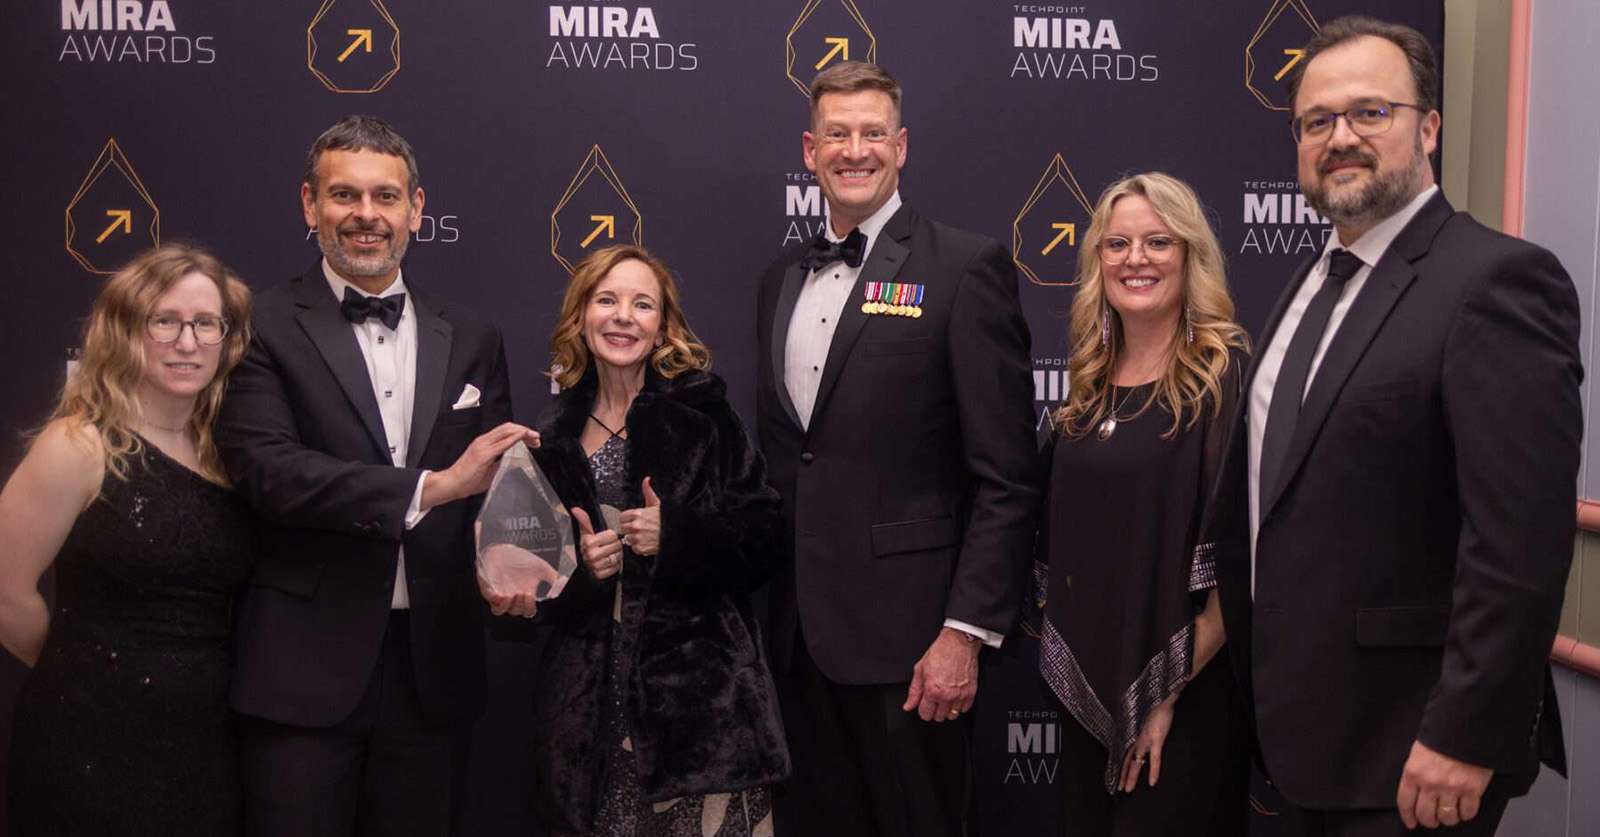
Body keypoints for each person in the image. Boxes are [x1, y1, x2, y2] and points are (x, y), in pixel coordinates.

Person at [1210, 16, 1581, 835]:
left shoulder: (1496, 282)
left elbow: (1519, 541)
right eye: (1317, 121)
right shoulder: (1308, 281)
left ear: (1430, 127)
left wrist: (1463, 732)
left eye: (1370, 112)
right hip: (1301, 736)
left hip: (1413, 752)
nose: (1341, 137)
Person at [215, 115, 537, 836]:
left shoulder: (474, 335)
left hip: (432, 673)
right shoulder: (258, 323)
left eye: (386, 197)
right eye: (344, 195)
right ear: (310, 205)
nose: (366, 215)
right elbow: (271, 472)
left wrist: (514, 564)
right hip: (302, 670)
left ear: (417, 210)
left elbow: (495, 489)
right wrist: (432, 487)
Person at [754, 61, 1039, 837]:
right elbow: (786, 462)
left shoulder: (963, 267)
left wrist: (963, 633)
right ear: (809, 151)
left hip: (915, 650)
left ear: (902, 145)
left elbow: (1007, 477)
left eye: (872, 133)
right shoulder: (778, 280)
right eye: (837, 135)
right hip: (796, 645)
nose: (855, 150)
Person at [521, 244, 788, 836]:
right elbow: (531, 583)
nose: (623, 316)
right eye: (607, 300)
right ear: (581, 316)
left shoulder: (702, 413)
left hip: (701, 714)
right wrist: (580, 569)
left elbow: (766, 535)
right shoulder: (550, 435)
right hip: (588, 719)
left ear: (662, 326)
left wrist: (679, 536)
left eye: (642, 304)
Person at [1, 245, 255, 835]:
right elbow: (9, 593)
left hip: (208, 746)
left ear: (227, 337)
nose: (186, 342)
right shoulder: (79, 446)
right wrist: (86, 671)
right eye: (163, 320)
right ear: (124, 330)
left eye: (205, 324)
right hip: (87, 741)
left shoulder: (230, 454)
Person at [1030, 173, 1249, 835]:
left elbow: (1238, 563)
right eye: (1118, 243)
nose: (1137, 258)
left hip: (1186, 701)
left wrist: (1164, 694)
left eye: (1158, 241)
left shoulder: (1222, 373)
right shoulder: (1089, 382)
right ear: (1098, 259)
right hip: (1089, 693)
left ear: (1189, 255)